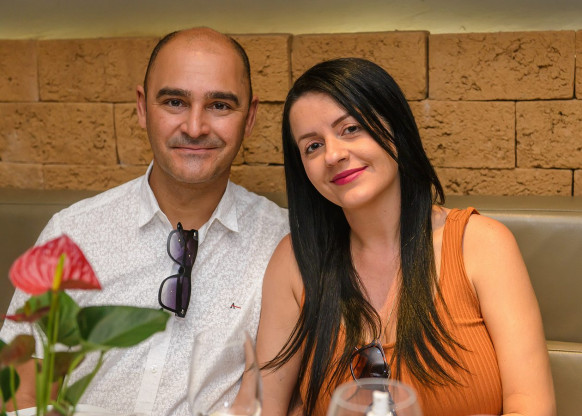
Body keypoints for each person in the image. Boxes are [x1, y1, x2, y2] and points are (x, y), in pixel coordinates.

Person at [0, 27, 288, 415]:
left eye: (220, 105)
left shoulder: (284, 243)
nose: (195, 127)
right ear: (142, 107)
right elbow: (20, 394)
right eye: (175, 102)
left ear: (249, 118)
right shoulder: (72, 234)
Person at [256, 57, 556, 416]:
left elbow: (532, 406)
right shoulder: (294, 261)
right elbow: (264, 406)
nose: (333, 155)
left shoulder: (482, 244)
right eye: (313, 146)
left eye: (350, 128)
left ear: (396, 127)